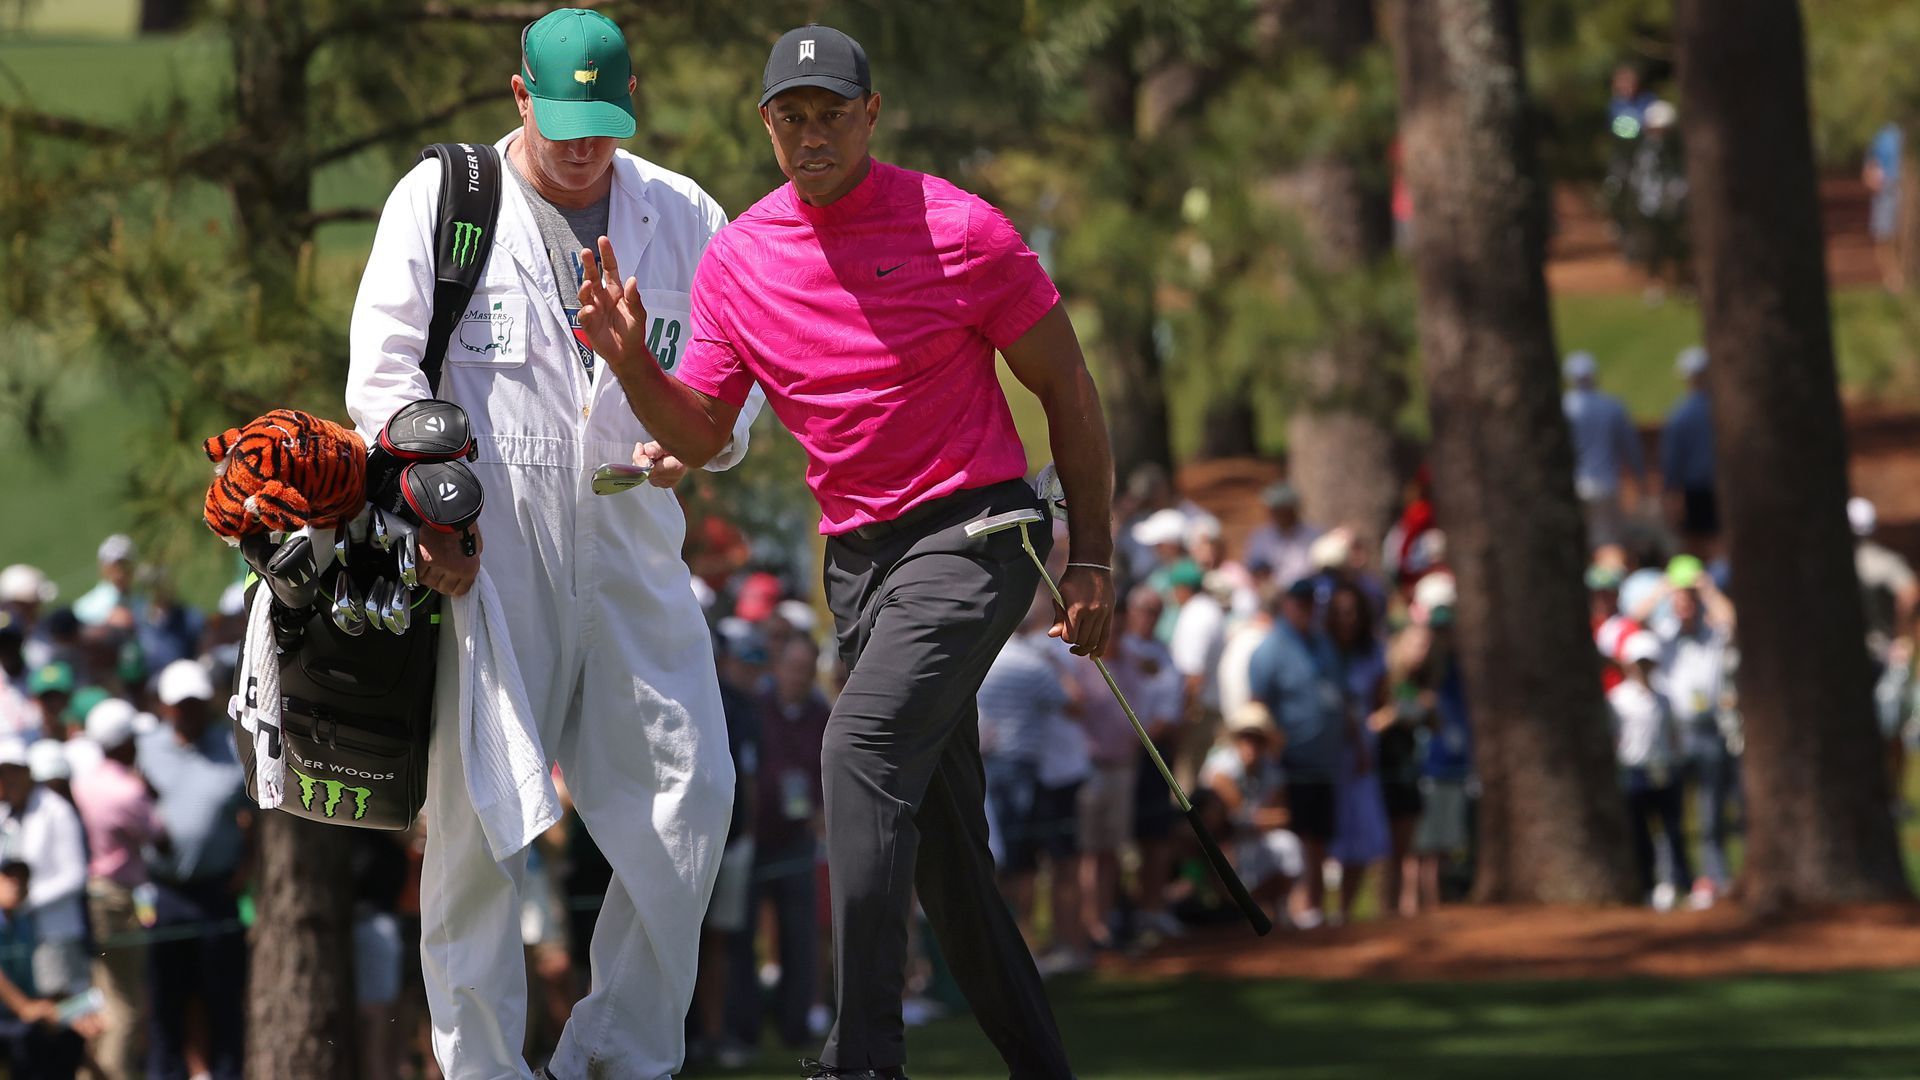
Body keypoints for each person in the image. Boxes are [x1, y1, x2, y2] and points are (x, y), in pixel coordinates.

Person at [578, 23, 1115, 1078]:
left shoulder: (962, 230)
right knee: (951, 854)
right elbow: (702, 431)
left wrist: (1093, 558)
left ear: (871, 116)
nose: (812, 135)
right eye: (792, 117)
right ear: (768, 126)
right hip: (860, 569)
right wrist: (634, 362)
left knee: (855, 750)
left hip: (976, 535)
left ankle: (861, 1057)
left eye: (832, 114)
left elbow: (1070, 390)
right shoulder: (740, 260)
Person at [345, 9, 764, 1077]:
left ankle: (618, 1057)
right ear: (520, 97)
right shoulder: (446, 202)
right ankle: (482, 1069)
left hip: (633, 549)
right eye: (564, 118)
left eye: (606, 121)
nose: (585, 144)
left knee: (693, 797)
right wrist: (429, 517)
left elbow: (734, 394)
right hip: (491, 557)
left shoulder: (683, 213)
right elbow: (384, 382)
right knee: (480, 839)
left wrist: (690, 448)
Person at [138, 660, 248, 1080]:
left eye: (197, 703)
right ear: (165, 707)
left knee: (222, 994)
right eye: (181, 704)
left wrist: (247, 868)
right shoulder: (146, 749)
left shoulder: (232, 747)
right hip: (164, 892)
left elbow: (254, 818)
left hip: (218, 890)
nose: (189, 711)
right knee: (167, 996)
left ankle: (226, 1073)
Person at [731, 635, 829, 1052]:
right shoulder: (757, 708)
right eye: (791, 667)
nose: (797, 677)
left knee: (800, 935)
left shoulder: (822, 715)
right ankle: (742, 1030)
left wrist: (823, 812)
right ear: (778, 667)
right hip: (753, 839)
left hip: (797, 842)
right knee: (741, 935)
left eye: (805, 669)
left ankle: (795, 1026)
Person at [69, 697, 161, 1080]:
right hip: (119, 898)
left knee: (103, 999)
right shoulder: (126, 791)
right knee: (125, 1007)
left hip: (92, 896)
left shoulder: (85, 781)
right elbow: (160, 835)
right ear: (123, 744)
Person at [1248, 581, 1344, 928]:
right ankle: (1293, 907)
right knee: (1295, 836)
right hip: (1288, 762)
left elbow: (1339, 695)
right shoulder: (1270, 649)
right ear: (1287, 604)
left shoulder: (1323, 644)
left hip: (1324, 760)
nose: (1307, 610)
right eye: (1301, 603)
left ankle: (1314, 907)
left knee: (1319, 837)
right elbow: (1257, 709)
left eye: (1311, 603)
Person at [692, 627, 763, 1071]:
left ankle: (713, 1034)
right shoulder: (682, 700)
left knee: (718, 941)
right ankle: (683, 1035)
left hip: (732, 840)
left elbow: (749, 779)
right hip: (687, 842)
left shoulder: (740, 706)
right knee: (681, 938)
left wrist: (748, 836)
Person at [1652, 558, 1737, 907]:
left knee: (1710, 811)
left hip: (1708, 730)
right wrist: (1665, 589)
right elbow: (1630, 622)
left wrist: (1706, 588)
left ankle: (1713, 877)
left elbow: (1731, 619)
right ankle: (1671, 878)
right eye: (1680, 600)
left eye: (1689, 599)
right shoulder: (1662, 637)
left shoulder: (1712, 636)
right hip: (1673, 732)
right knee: (1670, 812)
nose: (1684, 605)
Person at [1112, 587, 1186, 942]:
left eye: (1156, 611)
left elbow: (1170, 710)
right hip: (1116, 757)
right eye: (1142, 609)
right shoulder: (1115, 648)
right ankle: (1115, 912)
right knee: (1111, 840)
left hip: (1152, 755)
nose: (1147, 617)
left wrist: (1142, 738)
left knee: (1155, 837)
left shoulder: (1162, 654)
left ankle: (1150, 908)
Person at [0, 738, 88, 1012]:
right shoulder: (6, 814)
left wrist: (25, 901)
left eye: (15, 770)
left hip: (53, 932)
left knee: (62, 1013)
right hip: (16, 937)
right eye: (3, 772)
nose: (8, 778)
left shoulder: (57, 811)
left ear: (28, 771)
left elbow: (75, 875)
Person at [1199, 703, 1303, 927]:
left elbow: (1281, 816)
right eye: (1245, 737)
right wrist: (1253, 816)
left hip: (1253, 839)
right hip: (1222, 843)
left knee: (1288, 846)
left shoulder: (1272, 770)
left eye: (1257, 738)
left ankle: (1276, 910)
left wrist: (1250, 816)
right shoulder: (1221, 764)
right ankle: (1235, 912)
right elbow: (1224, 809)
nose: (1250, 745)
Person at [1610, 633, 1691, 908]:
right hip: (1635, 772)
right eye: (1639, 662)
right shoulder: (1618, 699)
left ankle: (1681, 883)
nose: (1644, 668)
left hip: (1665, 770)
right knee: (1640, 834)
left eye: (1648, 662)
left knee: (1672, 831)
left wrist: (1677, 763)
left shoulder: (1665, 697)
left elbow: (1674, 736)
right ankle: (1647, 885)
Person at [1325, 583, 1390, 924]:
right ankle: (1313, 910)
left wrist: (1368, 734)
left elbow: (1381, 702)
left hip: (1361, 755)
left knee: (1360, 832)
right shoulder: (1322, 650)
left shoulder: (1372, 652)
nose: (1346, 618)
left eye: (1352, 611)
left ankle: (1343, 914)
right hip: (1327, 751)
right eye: (1340, 611)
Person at [1850, 496, 1919, 808]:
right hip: (1879, 651)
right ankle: (1889, 793)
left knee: (1885, 725)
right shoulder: (1880, 561)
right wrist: (1902, 634)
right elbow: (1910, 592)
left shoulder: (1844, 565)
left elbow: (1909, 591)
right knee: (1887, 728)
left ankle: (1885, 794)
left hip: (1871, 654)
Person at [0, 860, 96, 1079]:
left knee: (70, 1035)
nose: (15, 884)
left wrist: (68, 1008)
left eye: (22, 879)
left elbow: (40, 984)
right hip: (9, 1020)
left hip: (18, 1017)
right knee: (27, 1039)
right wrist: (25, 1007)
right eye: (8, 877)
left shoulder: (26, 924)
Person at [1562, 351, 1647, 549]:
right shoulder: (1612, 406)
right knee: (1608, 543)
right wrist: (1640, 479)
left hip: (1575, 485)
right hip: (1606, 484)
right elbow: (1631, 448)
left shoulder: (1564, 407)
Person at [1660, 346, 1717, 556]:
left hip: (1695, 489)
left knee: (1697, 546)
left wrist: (1669, 495)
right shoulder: (1722, 409)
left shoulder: (1680, 414)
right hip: (1721, 485)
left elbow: (1672, 462)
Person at [1242, 483, 1320, 591]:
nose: (1277, 514)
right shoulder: (1260, 537)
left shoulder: (1314, 535)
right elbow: (1254, 570)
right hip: (1273, 595)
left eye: (1282, 509)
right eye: (1274, 509)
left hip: (1307, 594)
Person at [1864, 122, 1905, 292]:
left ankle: (1898, 278)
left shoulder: (1902, 133)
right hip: (1886, 192)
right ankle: (1893, 279)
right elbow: (1868, 171)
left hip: (1898, 189)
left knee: (1894, 236)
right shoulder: (1878, 135)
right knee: (1883, 237)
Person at [71, 536, 138, 631]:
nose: (119, 573)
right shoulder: (83, 608)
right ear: (103, 569)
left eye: (124, 565)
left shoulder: (145, 600)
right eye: (113, 567)